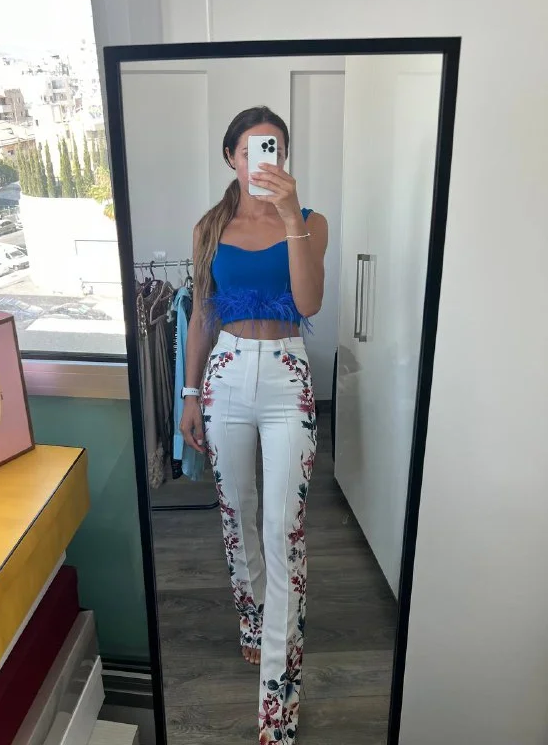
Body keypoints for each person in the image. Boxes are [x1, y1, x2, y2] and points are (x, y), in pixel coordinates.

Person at [179, 106, 328, 744]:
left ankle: (277, 707)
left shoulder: (311, 220)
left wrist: (291, 218)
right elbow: (201, 314)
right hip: (227, 373)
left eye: (275, 149)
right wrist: (189, 393)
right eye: (250, 150)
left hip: (288, 375)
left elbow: (309, 301)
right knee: (236, 511)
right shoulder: (209, 227)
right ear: (231, 158)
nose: (264, 160)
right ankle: (251, 616)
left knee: (284, 529)